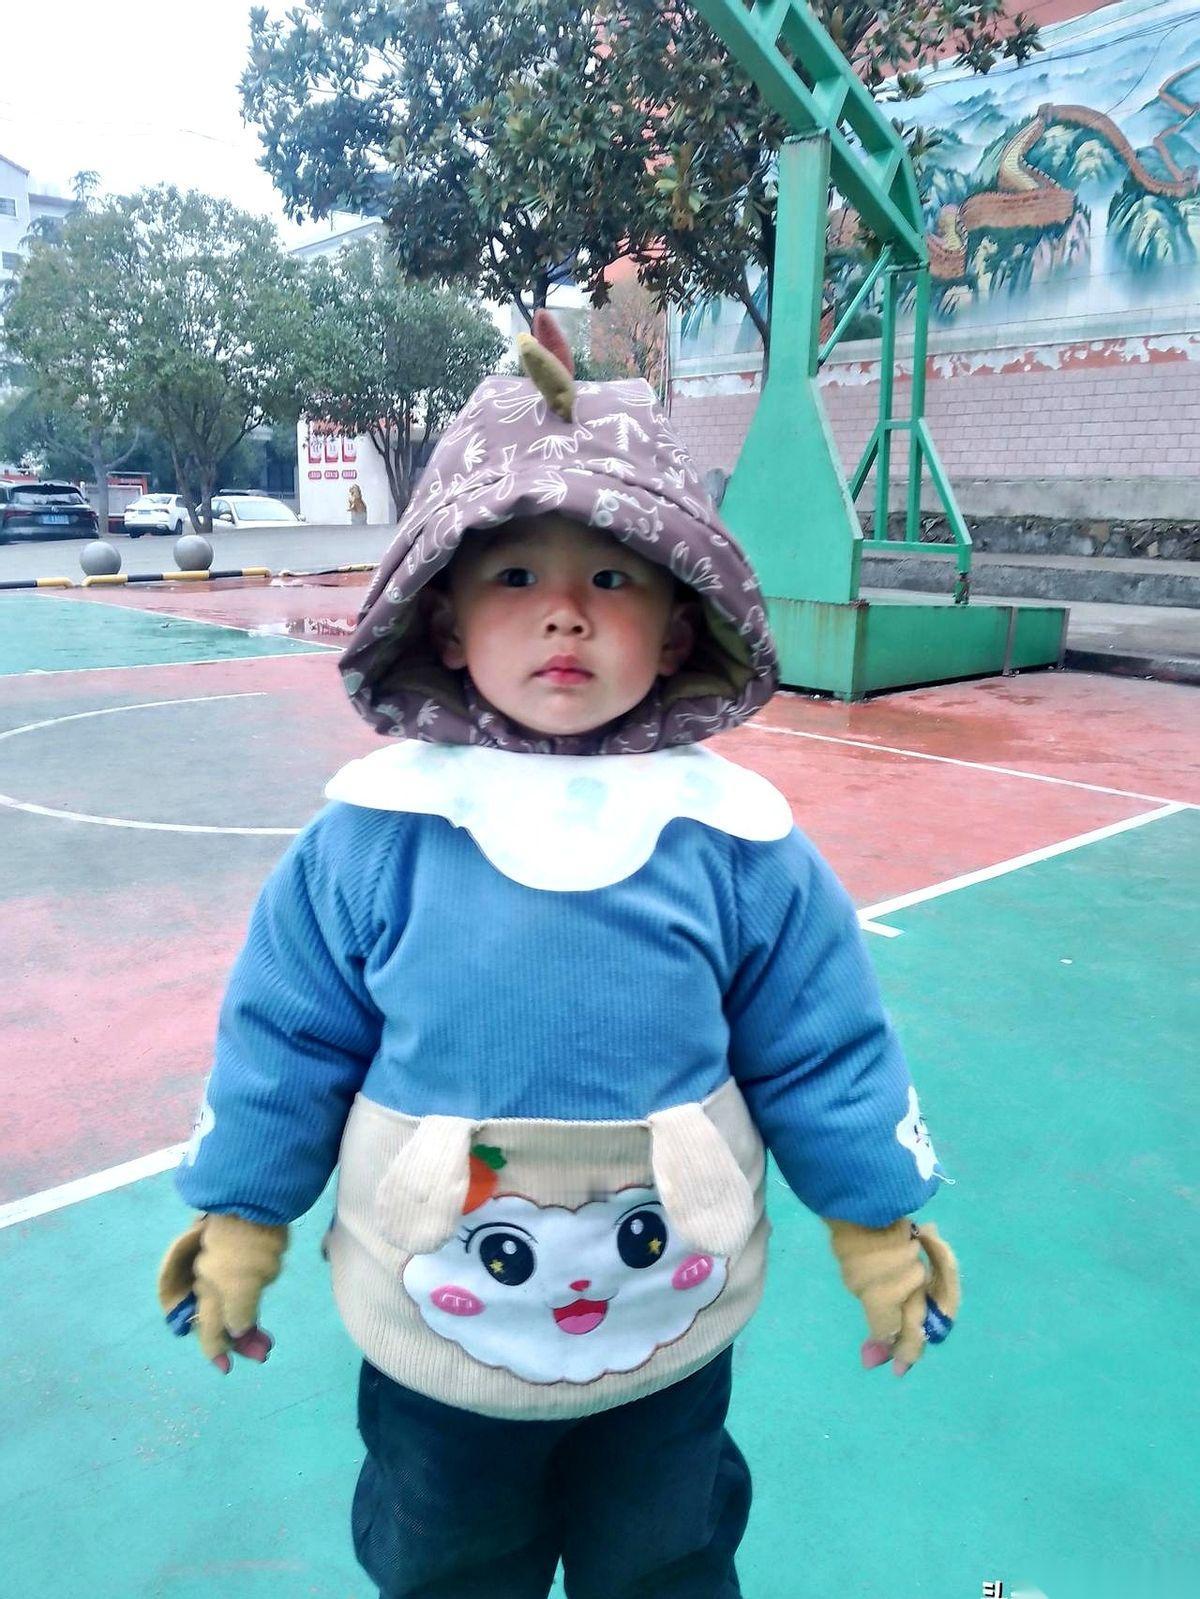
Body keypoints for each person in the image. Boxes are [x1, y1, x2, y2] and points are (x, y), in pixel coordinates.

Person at [158, 313, 959, 1599]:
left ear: (681, 630)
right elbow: (285, 1043)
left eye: (616, 581)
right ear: (444, 621)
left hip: (667, 1333)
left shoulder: (735, 845)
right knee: (446, 1563)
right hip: (437, 1342)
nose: (568, 616)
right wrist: (243, 1218)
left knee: (667, 1558)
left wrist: (875, 1229)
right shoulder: (373, 839)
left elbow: (824, 1048)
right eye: (518, 577)